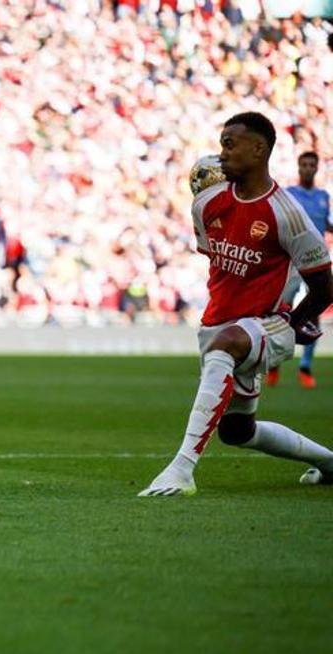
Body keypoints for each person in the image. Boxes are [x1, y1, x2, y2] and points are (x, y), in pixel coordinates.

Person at [139, 113, 333, 497]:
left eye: (231, 144)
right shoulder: (206, 203)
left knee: (228, 342)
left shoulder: (287, 214)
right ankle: (329, 463)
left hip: (268, 325)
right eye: (221, 143)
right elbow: (217, 261)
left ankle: (182, 469)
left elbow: (324, 286)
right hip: (217, 324)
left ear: (259, 150)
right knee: (238, 431)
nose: (221, 152)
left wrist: (297, 321)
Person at [268, 151, 331, 389]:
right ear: (298, 167)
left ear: (316, 168)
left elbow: (325, 224)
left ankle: (305, 366)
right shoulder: (289, 194)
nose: (307, 168)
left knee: (314, 311)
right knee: (282, 310)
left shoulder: (323, 196)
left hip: (317, 260)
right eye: (303, 164)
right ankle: (274, 361)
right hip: (292, 262)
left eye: (311, 165)